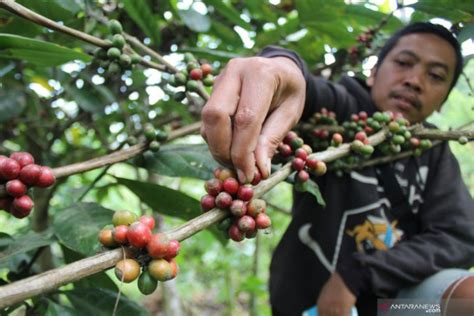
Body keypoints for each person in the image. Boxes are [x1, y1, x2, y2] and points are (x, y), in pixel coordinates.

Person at [201, 22, 474, 316]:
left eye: (435, 76)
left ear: (443, 100)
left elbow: (460, 236)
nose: (415, 81)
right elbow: (304, 89)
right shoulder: (343, 113)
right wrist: (281, 66)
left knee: (467, 300)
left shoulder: (432, 151)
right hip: (305, 303)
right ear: (372, 73)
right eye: (404, 63)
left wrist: (359, 273)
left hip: (391, 307)